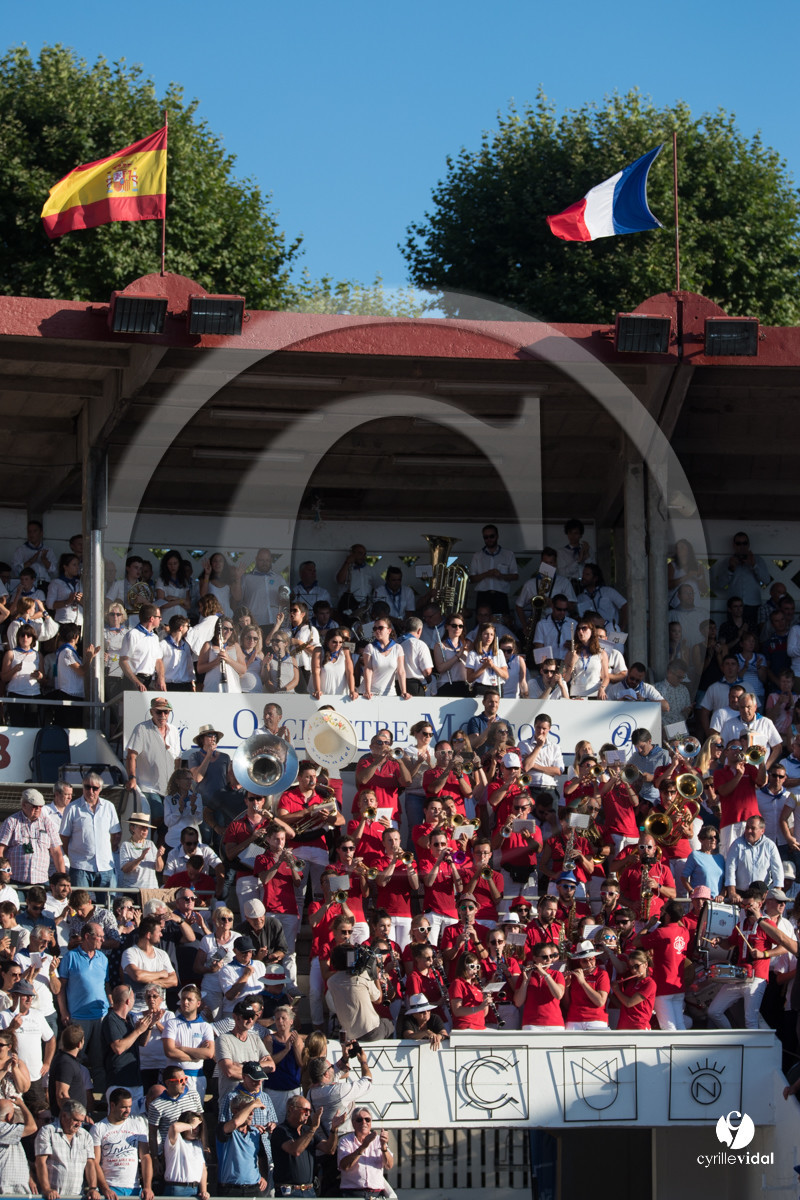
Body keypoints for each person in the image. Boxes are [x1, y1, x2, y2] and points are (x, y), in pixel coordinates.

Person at [57, 921, 110, 1092]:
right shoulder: (70, 957)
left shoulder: (103, 958)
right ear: (87, 936)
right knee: (75, 1059)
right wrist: (64, 1011)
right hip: (78, 1017)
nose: (103, 940)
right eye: (100, 937)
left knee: (99, 1060)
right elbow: (61, 987)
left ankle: (101, 1097)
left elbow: (106, 985)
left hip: (100, 1016)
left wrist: (110, 1008)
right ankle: (75, 1094)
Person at [271, 1094, 345, 1198]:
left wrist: (334, 1129)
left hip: (309, 1191)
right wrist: (313, 1128)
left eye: (310, 1111)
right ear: (291, 1109)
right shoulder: (281, 1131)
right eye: (305, 1110)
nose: (308, 1114)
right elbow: (295, 1150)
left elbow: (329, 1149)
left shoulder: (307, 1130)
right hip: (289, 1192)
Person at [0, 979, 54, 1110]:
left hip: (34, 1075)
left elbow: (51, 1039)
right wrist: (12, 1028)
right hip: (10, 1076)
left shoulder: (37, 1015)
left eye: (31, 996)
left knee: (39, 1113)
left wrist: (47, 1063)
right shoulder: (3, 1016)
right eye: (25, 996)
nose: (29, 999)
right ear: (14, 996)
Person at [92, 1087, 154, 1200]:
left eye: (130, 1107)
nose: (128, 1111)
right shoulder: (99, 1128)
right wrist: (105, 1189)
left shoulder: (137, 1124)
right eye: (123, 1107)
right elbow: (95, 1162)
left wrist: (147, 1187)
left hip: (134, 1187)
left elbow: (145, 1156)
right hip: (111, 1187)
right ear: (112, 1105)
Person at [325, 944, 394, 1041]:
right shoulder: (362, 976)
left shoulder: (331, 982)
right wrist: (375, 974)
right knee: (389, 1024)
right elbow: (378, 999)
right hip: (370, 1032)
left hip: (349, 1034)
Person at [216, 1000, 276, 1108]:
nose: (249, 1020)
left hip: (254, 1103)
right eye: (245, 1017)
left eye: (252, 1017)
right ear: (235, 1017)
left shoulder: (255, 1039)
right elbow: (229, 1071)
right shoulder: (223, 1039)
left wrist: (242, 1066)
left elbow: (271, 1066)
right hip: (231, 1104)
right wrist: (257, 1071)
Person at [35, 1100, 99, 1200]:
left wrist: (93, 1188)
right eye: (76, 1120)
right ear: (64, 1116)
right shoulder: (47, 1131)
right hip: (53, 1196)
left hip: (77, 1196)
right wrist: (47, 1189)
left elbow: (90, 1163)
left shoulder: (86, 1136)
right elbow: (40, 1162)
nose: (79, 1124)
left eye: (81, 1121)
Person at [0, 788, 64, 887]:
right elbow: (1, 849)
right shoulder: (11, 821)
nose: (38, 809)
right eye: (35, 806)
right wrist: (2, 874)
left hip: (41, 881)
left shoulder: (48, 823)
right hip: (15, 880)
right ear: (24, 805)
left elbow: (57, 852)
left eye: (40, 806)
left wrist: (62, 879)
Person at [124, 696, 182, 802]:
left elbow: (177, 760)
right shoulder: (141, 729)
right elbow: (131, 756)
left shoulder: (174, 731)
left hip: (170, 790)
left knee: (170, 818)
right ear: (151, 712)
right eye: (159, 712)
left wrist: (177, 783)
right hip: (148, 789)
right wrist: (132, 778)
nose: (163, 715)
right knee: (157, 817)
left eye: (166, 712)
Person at [122, 915, 179, 1014]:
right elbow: (137, 976)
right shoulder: (130, 953)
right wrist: (161, 974)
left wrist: (150, 981)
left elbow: (174, 981)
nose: (161, 935)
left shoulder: (162, 954)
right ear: (148, 935)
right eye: (159, 932)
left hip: (161, 1010)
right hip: (136, 1011)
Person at [712, 532, 770, 628]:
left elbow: (766, 580)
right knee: (733, 635)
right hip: (734, 607)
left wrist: (754, 565)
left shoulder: (758, 559)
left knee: (753, 636)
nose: (742, 546)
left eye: (744, 543)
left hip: (753, 606)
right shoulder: (727, 562)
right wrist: (730, 569)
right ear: (734, 545)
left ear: (748, 544)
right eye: (738, 543)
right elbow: (720, 584)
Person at [724, 815, 784, 900]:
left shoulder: (770, 846)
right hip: (740, 895)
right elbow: (730, 869)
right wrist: (732, 893)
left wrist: (776, 895)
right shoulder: (736, 844)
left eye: (753, 828)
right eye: (747, 827)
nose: (749, 831)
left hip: (761, 895)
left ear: (762, 831)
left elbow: (778, 871)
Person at [338, 1107, 393, 1199]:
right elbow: (344, 1166)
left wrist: (384, 1147)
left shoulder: (378, 1140)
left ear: (370, 1123)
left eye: (367, 1119)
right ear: (353, 1123)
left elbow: (389, 1165)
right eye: (359, 1120)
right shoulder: (345, 1140)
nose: (364, 1122)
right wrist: (363, 1146)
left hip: (376, 1194)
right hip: (352, 1193)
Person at [469, 524, 518, 614]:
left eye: (492, 536)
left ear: (497, 536)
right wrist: (487, 574)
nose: (489, 539)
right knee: (483, 626)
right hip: (483, 596)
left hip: (501, 596)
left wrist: (501, 575)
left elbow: (515, 576)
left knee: (502, 625)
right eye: (486, 537)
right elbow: (471, 579)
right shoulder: (477, 556)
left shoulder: (508, 554)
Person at [163, 1109, 209, 1200]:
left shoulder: (198, 1143)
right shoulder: (176, 1140)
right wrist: (191, 1125)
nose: (196, 1129)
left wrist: (203, 1190)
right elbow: (174, 1127)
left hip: (194, 1189)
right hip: (176, 1189)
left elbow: (203, 1169)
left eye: (198, 1126)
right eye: (194, 1126)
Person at [119, 604, 166, 692]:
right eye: (159, 617)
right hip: (134, 680)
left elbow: (158, 660)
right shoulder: (133, 634)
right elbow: (123, 661)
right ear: (152, 619)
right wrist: (136, 682)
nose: (161, 619)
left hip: (150, 680)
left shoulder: (154, 637)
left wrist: (161, 678)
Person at [563, 941, 610, 1030]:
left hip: (596, 1019)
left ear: (595, 958)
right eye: (584, 961)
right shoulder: (574, 975)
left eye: (591, 959)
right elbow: (567, 1004)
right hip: (574, 1019)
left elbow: (600, 1001)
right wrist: (566, 986)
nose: (589, 964)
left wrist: (583, 982)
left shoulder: (602, 974)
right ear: (579, 961)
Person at [0, 1091, 37, 1196]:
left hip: (17, 1187)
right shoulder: (2, 1129)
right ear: (9, 1116)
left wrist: (29, 1177)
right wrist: (22, 1105)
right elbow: (32, 1127)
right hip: (7, 1189)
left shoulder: (10, 1131)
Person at [48, 1023, 87, 1113]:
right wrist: (72, 1117)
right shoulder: (66, 1064)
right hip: (68, 1121)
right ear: (79, 1044)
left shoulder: (64, 1059)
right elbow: (61, 1094)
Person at [120, 813, 162, 889]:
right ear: (133, 828)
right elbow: (125, 869)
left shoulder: (151, 844)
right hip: (133, 889)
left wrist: (158, 857)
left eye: (147, 828)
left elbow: (159, 869)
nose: (145, 830)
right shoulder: (126, 845)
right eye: (142, 827)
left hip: (151, 889)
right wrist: (140, 858)